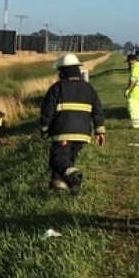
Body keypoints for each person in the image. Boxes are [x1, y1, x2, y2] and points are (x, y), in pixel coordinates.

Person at [39, 53, 106, 194]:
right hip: (82, 135)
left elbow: (47, 110)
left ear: (63, 72)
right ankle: (61, 187)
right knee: (67, 159)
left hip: (62, 133)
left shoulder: (57, 88)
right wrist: (100, 131)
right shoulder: (89, 88)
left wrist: (44, 128)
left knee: (57, 158)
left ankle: (74, 177)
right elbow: (98, 110)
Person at [125, 53, 139, 129]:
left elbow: (133, 81)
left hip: (135, 92)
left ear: (131, 60)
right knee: (138, 109)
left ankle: (135, 125)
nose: (128, 63)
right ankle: (138, 124)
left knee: (132, 108)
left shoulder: (135, 68)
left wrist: (128, 90)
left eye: (128, 61)